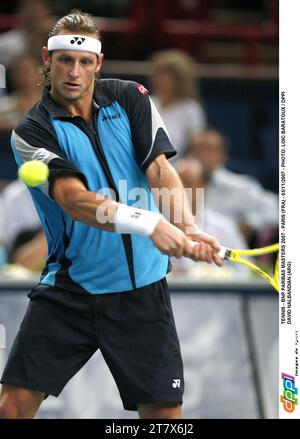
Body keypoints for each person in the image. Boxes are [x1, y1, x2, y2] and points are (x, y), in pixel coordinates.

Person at [0, 10, 222, 420]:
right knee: (13, 408)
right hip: (71, 291)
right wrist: (150, 222)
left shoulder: (130, 96)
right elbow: (74, 200)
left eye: (85, 62)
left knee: (164, 418)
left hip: (142, 293)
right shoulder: (31, 131)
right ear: (47, 60)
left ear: (98, 65)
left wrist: (187, 226)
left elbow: (159, 169)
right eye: (65, 59)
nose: (73, 71)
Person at [187, 128, 278, 245]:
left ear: (223, 156)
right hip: (185, 256)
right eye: (196, 149)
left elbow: (277, 208)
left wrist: (251, 224)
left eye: (209, 149)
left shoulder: (241, 186)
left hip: (228, 256)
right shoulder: (175, 185)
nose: (202, 155)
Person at [171, 158, 248, 277]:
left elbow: (244, 272)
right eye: (176, 184)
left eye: (188, 183)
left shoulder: (224, 227)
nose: (181, 190)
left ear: (204, 187)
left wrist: (210, 275)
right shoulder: (159, 227)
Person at [149, 49, 206, 161]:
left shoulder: (191, 109)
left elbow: (196, 145)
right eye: (157, 75)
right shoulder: (147, 101)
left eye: (164, 76)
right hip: (144, 163)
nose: (158, 80)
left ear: (179, 80)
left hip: (177, 166)